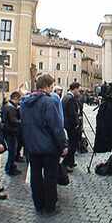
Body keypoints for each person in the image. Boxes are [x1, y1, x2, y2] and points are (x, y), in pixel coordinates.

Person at [20, 74, 67, 214]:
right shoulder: (48, 102)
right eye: (51, 86)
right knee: (50, 177)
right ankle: (50, 206)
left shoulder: (25, 102)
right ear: (46, 86)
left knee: (35, 177)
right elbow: (56, 126)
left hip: (32, 147)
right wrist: (63, 144)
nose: (52, 89)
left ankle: (38, 204)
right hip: (48, 147)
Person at [62, 82, 81, 172]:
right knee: (72, 145)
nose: (79, 91)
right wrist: (77, 124)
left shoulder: (66, 97)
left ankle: (71, 162)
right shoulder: (70, 99)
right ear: (75, 89)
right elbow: (72, 114)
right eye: (78, 89)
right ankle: (66, 164)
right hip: (71, 125)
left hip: (67, 124)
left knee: (72, 144)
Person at [3, 91, 22, 176]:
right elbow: (13, 120)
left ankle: (11, 167)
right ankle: (9, 168)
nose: (19, 101)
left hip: (8, 131)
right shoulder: (11, 108)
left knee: (12, 151)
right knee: (12, 151)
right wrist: (22, 122)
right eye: (19, 99)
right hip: (11, 132)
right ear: (15, 98)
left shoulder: (7, 105)